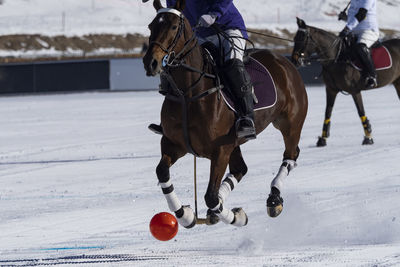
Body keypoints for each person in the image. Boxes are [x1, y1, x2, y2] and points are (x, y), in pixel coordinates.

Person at [149, 0, 256, 140]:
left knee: (232, 64)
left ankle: (246, 117)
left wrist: (213, 14)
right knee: (176, 65)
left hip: (227, 28)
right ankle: (170, 120)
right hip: (199, 33)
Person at [338, 0, 379, 89]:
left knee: (360, 47)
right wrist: (345, 18)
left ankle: (372, 76)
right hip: (354, 32)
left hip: (369, 31)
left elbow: (361, 15)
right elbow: (354, 18)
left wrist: (347, 28)